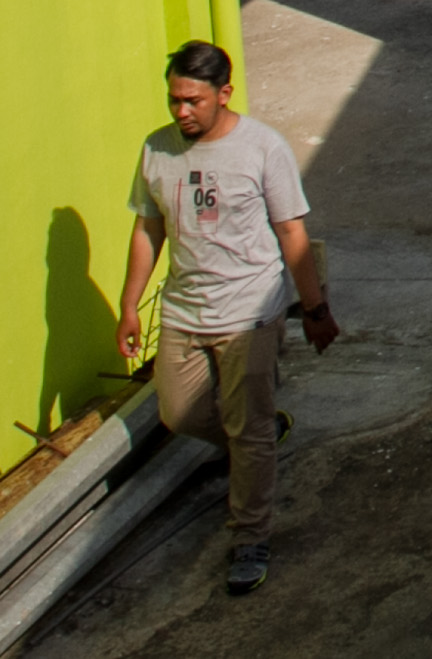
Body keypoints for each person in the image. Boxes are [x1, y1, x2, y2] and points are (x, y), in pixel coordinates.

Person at [116, 41, 338, 596]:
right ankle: (256, 440)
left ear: (224, 93)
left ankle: (249, 537)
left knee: (249, 429)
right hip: (184, 310)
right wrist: (128, 305)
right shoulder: (156, 150)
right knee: (180, 415)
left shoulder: (263, 148)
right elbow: (148, 230)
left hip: (250, 311)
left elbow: (292, 232)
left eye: (192, 100)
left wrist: (314, 308)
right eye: (174, 99)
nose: (181, 111)